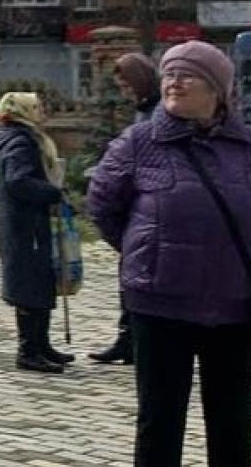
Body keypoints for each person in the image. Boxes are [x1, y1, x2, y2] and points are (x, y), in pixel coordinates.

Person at [87, 41, 251, 466]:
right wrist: (146, 248)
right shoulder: (140, 142)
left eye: (187, 74)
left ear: (217, 89)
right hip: (160, 305)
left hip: (234, 306)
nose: (174, 82)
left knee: (232, 424)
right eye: (169, 74)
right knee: (160, 422)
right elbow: (103, 205)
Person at [0, 92, 70, 374]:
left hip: (27, 222)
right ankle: (29, 350)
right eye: (37, 107)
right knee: (30, 284)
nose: (43, 111)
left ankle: (42, 343)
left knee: (40, 280)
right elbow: (18, 180)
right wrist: (51, 192)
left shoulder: (19, 137)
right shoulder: (20, 141)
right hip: (25, 225)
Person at [90, 52, 162, 366]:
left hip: (153, 206)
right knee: (129, 273)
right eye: (121, 88)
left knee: (144, 275)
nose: (125, 93)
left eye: (127, 86)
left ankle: (141, 338)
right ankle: (127, 337)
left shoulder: (160, 112)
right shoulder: (144, 110)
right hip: (134, 205)